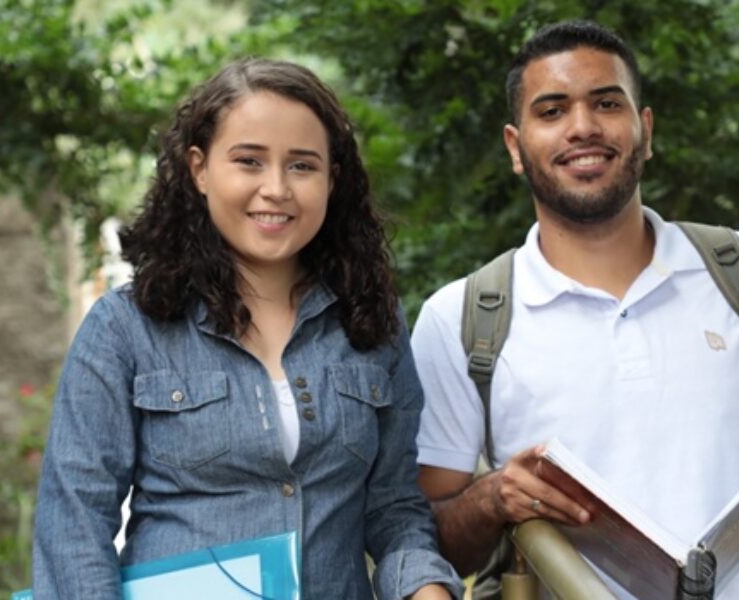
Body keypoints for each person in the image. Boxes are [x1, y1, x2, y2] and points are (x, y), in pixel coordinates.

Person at [411, 21, 739, 599]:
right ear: (515, 148)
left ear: (644, 130)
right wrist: (494, 497)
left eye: (606, 103)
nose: (582, 127)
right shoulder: (461, 318)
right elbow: (427, 536)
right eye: (551, 111)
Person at [33, 58, 462, 600]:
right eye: (249, 161)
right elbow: (73, 526)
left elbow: (394, 508)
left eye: (302, 166)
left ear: (332, 179)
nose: (276, 188)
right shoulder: (125, 328)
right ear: (200, 169)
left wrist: (427, 589)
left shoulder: (372, 320)